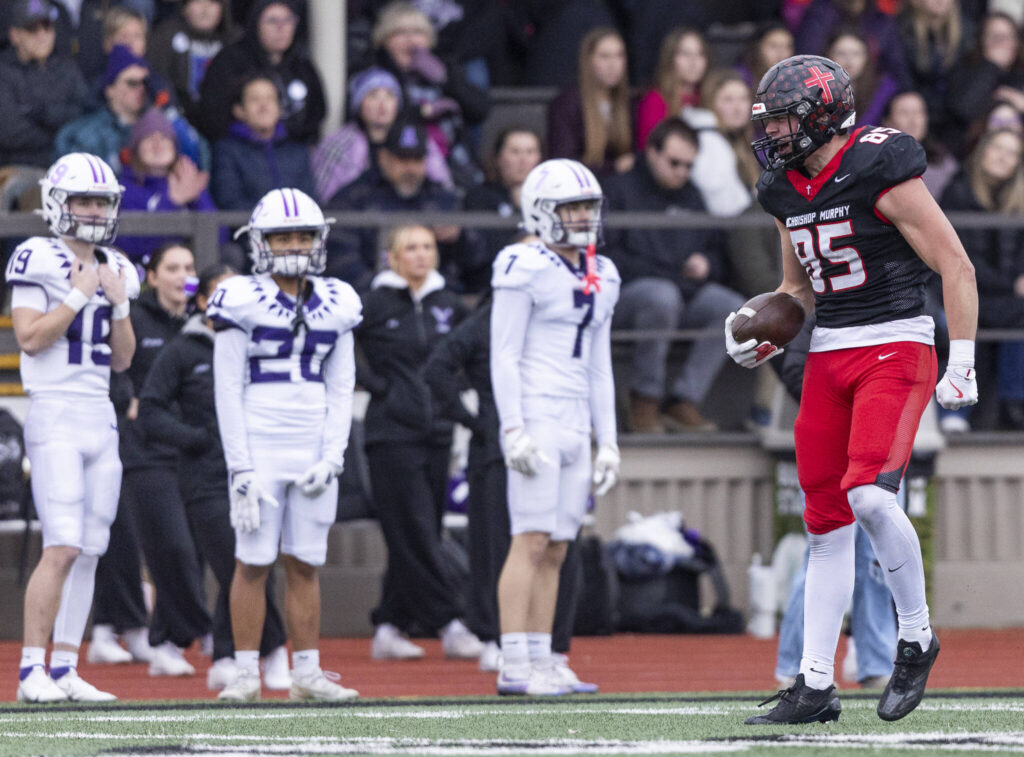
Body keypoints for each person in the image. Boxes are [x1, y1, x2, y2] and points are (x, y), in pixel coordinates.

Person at [732, 54, 978, 724]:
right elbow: (796, 290)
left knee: (869, 495)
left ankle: (917, 634)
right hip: (831, 352)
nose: (775, 133)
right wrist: (756, 327)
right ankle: (815, 682)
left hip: (896, 342)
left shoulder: (879, 163)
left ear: (821, 113)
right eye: (771, 120)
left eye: (785, 118)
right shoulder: (782, 186)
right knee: (824, 525)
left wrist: (964, 358)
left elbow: (954, 260)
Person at [207, 187, 361, 702]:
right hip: (260, 434)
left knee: (305, 560)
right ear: (259, 242)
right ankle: (247, 671)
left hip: (312, 438)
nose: (295, 244)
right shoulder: (238, 296)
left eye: (303, 235)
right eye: (283, 235)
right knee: (252, 560)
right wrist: (240, 466)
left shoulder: (339, 297)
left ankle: (307, 673)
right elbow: (227, 387)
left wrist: (333, 456)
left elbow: (342, 387)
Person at [7, 152, 140, 702]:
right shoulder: (36, 255)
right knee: (60, 545)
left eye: (101, 201)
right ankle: (30, 668)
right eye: (83, 200)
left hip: (98, 413)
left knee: (90, 547)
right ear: (58, 203)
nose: (92, 210)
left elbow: (123, 360)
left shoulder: (117, 265)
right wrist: (80, 295)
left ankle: (65, 667)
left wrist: (121, 304)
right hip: (55, 409)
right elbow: (31, 338)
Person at [490, 158, 621, 695]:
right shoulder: (522, 264)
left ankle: (544, 657)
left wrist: (608, 439)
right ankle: (513, 662)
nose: (582, 217)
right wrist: (512, 428)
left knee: (560, 544)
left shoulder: (602, 271)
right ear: (540, 212)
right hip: (537, 413)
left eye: (588, 206)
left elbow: (598, 364)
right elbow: (504, 355)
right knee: (531, 538)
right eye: (571, 206)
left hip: (572, 420)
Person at [423, 295, 597, 690]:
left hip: (554, 438)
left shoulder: (566, 313)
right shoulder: (494, 316)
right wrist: (478, 422)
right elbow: (438, 367)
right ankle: (501, 644)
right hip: (501, 449)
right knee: (507, 547)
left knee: (559, 548)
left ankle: (551, 651)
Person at [138, 263, 290, 692]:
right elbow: (150, 411)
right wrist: (197, 439)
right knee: (238, 564)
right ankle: (274, 649)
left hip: (257, 471)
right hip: (204, 477)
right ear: (203, 301)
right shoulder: (185, 349)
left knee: (260, 561)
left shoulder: (262, 346)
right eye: (222, 293)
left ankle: (226, 652)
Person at [354, 224, 481, 661]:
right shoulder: (372, 302)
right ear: (392, 257)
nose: (421, 255)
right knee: (415, 529)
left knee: (417, 532)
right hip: (390, 433)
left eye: (428, 247)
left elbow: (472, 351)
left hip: (439, 432)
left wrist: (453, 394)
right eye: (411, 248)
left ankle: (390, 624)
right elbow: (337, 342)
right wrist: (375, 384)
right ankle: (449, 622)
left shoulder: (449, 304)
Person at [773, 315, 898, 690]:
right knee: (823, 552)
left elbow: (935, 335)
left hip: (883, 440)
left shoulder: (895, 308)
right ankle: (795, 665)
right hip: (833, 443)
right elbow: (795, 370)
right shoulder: (823, 315)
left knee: (877, 561)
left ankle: (876, 661)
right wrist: (840, 407)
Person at [603, 117, 744, 433]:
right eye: (674, 163)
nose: (682, 172)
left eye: (689, 166)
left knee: (733, 308)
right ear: (651, 152)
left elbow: (717, 252)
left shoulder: (692, 195)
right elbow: (610, 260)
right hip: (628, 301)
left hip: (682, 295)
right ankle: (644, 398)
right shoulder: (618, 190)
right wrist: (673, 276)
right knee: (660, 296)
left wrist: (707, 263)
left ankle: (683, 400)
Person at [327, 116, 486, 292]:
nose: (411, 168)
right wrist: (386, 294)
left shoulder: (443, 198)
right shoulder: (354, 198)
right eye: (403, 159)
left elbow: (476, 262)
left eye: (417, 159)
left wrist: (461, 237)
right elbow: (339, 259)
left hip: (434, 303)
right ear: (383, 158)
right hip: (372, 303)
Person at [939, 127, 1024, 430]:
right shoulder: (958, 192)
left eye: (1013, 153)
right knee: (969, 318)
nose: (1005, 157)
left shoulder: (1018, 200)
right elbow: (961, 260)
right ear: (984, 150)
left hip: (1004, 297)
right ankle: (956, 412)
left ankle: (1015, 406)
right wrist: (1011, 284)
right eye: (999, 148)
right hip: (962, 292)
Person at [311, 66, 451, 205]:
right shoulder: (338, 145)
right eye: (373, 95)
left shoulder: (416, 138)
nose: (382, 105)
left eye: (390, 95)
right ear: (359, 103)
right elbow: (324, 200)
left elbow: (443, 185)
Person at [197, 0, 325, 143]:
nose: (281, 27)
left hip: (293, 154)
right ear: (255, 23)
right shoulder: (229, 62)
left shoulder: (302, 65)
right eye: (272, 20)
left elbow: (316, 115)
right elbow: (213, 120)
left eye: (288, 20)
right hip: (241, 152)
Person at [118, 109, 216, 264]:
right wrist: (172, 202)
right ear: (136, 149)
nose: (158, 145)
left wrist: (197, 199)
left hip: (188, 274)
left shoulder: (186, 183)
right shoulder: (124, 190)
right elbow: (130, 244)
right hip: (145, 276)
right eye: (149, 138)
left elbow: (218, 240)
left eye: (164, 138)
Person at [0, 0, 89, 171]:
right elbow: (10, 133)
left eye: (47, 26)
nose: (42, 35)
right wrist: (61, 133)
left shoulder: (66, 66)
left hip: (69, 165)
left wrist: (44, 115)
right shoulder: (3, 72)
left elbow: (85, 113)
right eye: (32, 28)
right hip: (19, 167)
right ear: (14, 35)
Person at [210, 73, 315, 210]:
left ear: (279, 108)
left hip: (294, 230)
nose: (264, 106)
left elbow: (309, 203)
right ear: (239, 110)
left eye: (270, 99)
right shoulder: (226, 151)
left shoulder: (298, 152)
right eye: (254, 99)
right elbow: (229, 203)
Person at [547, 27, 634, 178]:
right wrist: (613, 167)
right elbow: (564, 162)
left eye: (619, 55)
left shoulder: (628, 102)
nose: (613, 64)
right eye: (605, 56)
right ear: (588, 60)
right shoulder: (567, 104)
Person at [148, 0, 236, 127]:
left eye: (212, 2)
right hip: (176, 121)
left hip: (227, 124)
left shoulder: (235, 41)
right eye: (198, 1)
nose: (205, 8)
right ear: (184, 8)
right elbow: (156, 78)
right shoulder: (166, 35)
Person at [463, 127, 544, 260]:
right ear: (498, 157)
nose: (523, 160)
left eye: (530, 152)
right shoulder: (478, 197)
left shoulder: (552, 198)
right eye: (515, 152)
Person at [637, 27, 711, 150]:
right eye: (685, 54)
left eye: (700, 54)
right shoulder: (656, 100)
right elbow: (649, 151)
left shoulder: (709, 96)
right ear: (670, 58)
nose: (693, 62)